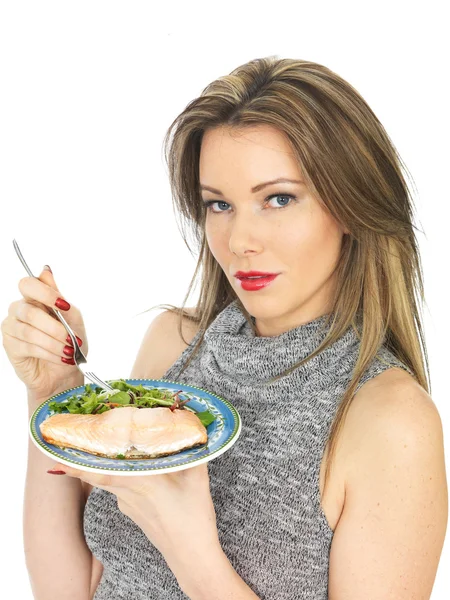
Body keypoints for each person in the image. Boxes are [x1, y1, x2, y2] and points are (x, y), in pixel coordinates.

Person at [2, 56, 447, 599]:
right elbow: (69, 589)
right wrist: (53, 390)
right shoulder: (174, 347)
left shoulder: (390, 423)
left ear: (350, 205)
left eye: (278, 199)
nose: (239, 241)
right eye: (219, 204)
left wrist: (190, 550)